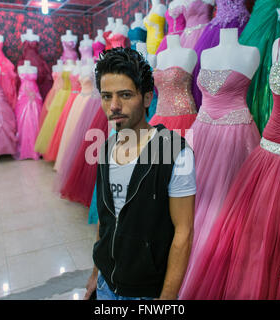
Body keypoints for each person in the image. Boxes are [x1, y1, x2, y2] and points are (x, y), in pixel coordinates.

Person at [84, 47, 196, 300]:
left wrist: (166, 299)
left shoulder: (175, 152)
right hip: (106, 285)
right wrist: (95, 274)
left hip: (147, 292)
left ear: (147, 98)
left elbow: (184, 232)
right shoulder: (105, 148)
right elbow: (105, 219)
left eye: (125, 95)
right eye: (106, 96)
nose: (114, 106)